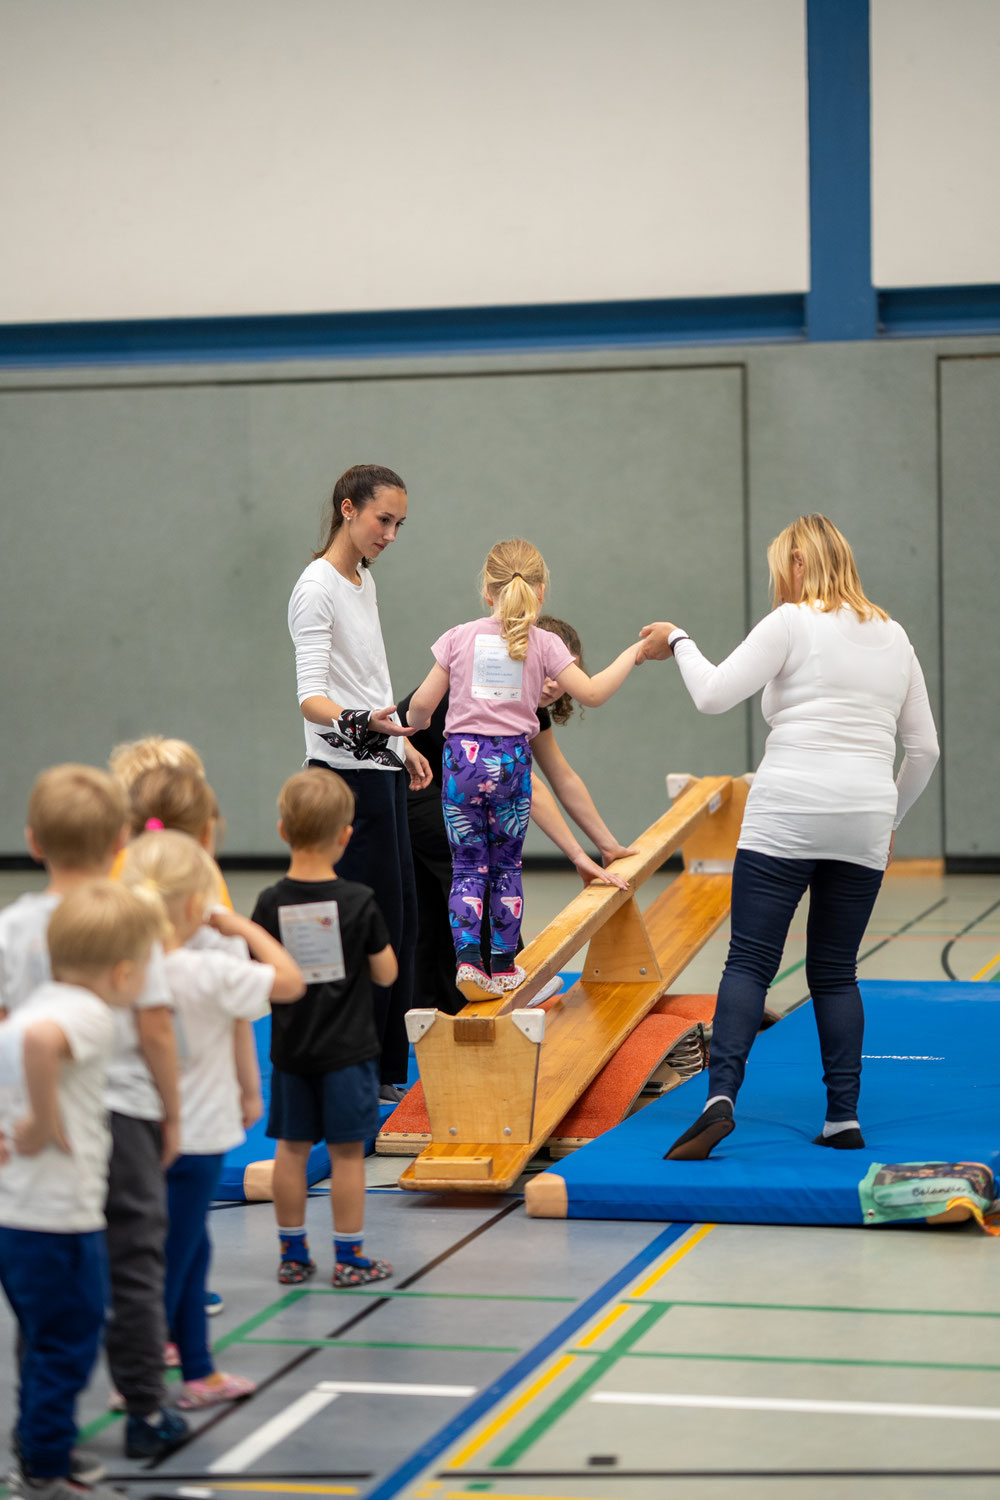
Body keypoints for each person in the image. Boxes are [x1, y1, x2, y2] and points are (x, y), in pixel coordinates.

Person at [638, 514, 940, 1160]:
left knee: (750, 961)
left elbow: (714, 696)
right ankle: (842, 1118)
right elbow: (925, 750)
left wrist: (679, 639)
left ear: (799, 563)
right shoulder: (895, 635)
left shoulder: (792, 622)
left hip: (789, 810)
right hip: (862, 815)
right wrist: (890, 821)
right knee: (835, 971)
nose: (777, 577)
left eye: (781, 565)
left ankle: (720, 1099)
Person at [0, 765, 186, 1457]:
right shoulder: (132, 918)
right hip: (124, 1111)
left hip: (42, 1115)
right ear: (119, 839)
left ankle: (36, 1422)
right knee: (135, 1261)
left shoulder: (13, 926)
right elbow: (157, 1025)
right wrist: (171, 1113)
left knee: (45, 1271)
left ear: (32, 841)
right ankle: (144, 1411)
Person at [405, 539, 642, 995]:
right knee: (506, 866)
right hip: (471, 769)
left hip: (457, 765)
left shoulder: (459, 638)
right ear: (541, 590)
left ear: (487, 592)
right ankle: (503, 964)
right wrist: (634, 654)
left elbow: (420, 707)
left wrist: (411, 726)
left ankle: (470, 964)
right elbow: (591, 693)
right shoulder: (542, 645)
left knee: (468, 867)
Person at [121, 831, 304, 1407]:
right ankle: (141, 1378)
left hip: (138, 1130)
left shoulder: (123, 968)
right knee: (171, 1261)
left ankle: (197, 1368)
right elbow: (290, 981)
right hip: (195, 1136)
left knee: (188, 1245)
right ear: (198, 902)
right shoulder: (205, 968)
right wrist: (243, 928)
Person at [288, 464, 430, 1104]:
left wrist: (400, 743)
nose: (392, 535)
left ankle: (386, 1071)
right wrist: (366, 726)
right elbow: (312, 699)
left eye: (401, 525)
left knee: (400, 924)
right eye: (384, 520)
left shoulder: (362, 582)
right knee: (363, 930)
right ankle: (355, 1069)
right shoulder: (315, 588)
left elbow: (370, 678)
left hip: (380, 769)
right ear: (348, 510)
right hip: (343, 779)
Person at [252, 769, 397, 1288]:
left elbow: (262, 977)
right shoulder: (358, 900)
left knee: (290, 1151)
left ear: (282, 831)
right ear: (345, 835)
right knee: (346, 1154)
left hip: (293, 1050)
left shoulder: (269, 903)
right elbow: (386, 973)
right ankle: (350, 1257)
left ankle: (293, 1255)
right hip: (349, 1052)